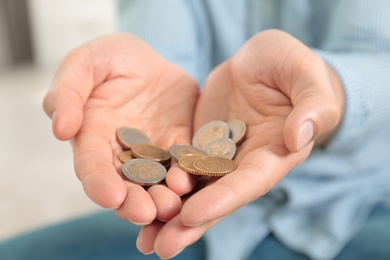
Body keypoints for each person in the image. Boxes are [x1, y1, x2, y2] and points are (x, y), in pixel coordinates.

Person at [1, 0, 390, 259]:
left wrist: (330, 89)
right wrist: (145, 75)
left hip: (358, 205)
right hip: (191, 218)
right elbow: (164, 49)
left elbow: (379, 57)